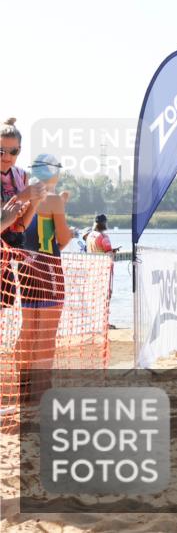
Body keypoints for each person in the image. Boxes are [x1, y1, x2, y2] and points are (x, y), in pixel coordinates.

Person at [14, 154, 72, 400]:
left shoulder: (21, 195)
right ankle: (41, 388)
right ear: (55, 173)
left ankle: (23, 384)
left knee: (28, 329)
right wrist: (61, 206)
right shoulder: (54, 199)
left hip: (25, 268)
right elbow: (64, 238)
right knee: (47, 332)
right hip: (48, 268)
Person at [1, 118, 44, 248]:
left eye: (13, 152)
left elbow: (19, 227)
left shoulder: (22, 175)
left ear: (19, 149)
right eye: (0, 151)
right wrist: (22, 197)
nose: (7, 157)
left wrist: (34, 203)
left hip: (13, 251)